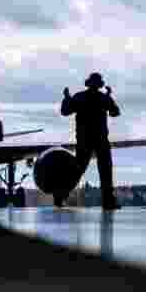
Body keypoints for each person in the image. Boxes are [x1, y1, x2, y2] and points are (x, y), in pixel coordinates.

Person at [61, 72, 121, 210]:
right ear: (99, 85)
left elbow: (65, 111)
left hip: (84, 139)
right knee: (105, 171)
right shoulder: (102, 98)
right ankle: (108, 201)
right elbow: (115, 112)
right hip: (101, 140)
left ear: (88, 84)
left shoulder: (80, 97)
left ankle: (61, 194)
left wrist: (66, 98)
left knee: (78, 169)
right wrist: (109, 98)